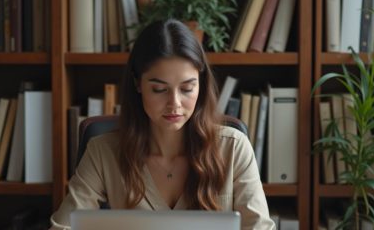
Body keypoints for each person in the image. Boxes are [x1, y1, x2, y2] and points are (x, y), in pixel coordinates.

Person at [50, 19, 275, 229]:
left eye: (187, 88)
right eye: (159, 89)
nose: (174, 104)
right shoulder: (103, 152)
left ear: (201, 85)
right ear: (138, 84)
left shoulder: (233, 148)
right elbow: (62, 227)